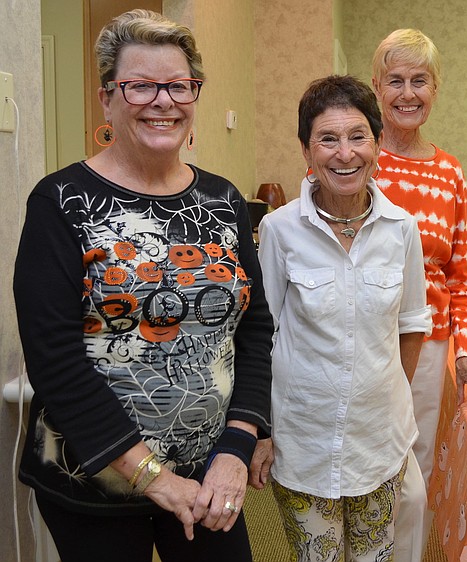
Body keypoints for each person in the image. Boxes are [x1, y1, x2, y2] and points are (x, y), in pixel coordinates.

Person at [13, 10, 273, 562]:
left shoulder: (223, 202)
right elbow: (54, 361)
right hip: (94, 481)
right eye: (140, 86)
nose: (163, 100)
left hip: (208, 476)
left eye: (179, 85)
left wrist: (238, 442)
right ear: (108, 98)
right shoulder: (60, 202)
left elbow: (254, 329)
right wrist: (153, 476)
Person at [251, 75, 432, 560]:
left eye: (357, 136)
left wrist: (384, 397)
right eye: (327, 139)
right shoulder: (279, 229)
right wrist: (262, 431)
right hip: (304, 443)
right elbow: (259, 339)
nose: (344, 153)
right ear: (307, 152)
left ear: (377, 144)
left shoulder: (402, 230)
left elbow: (412, 326)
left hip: (379, 443)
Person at [371, 28, 467, 559]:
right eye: (396, 80)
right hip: (361, 336)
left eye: (419, 80)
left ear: (435, 88)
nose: (408, 93)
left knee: (416, 462)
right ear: (377, 87)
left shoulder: (450, 171)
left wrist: (466, 352)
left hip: (428, 345)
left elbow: (459, 274)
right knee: (361, 457)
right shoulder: (355, 156)